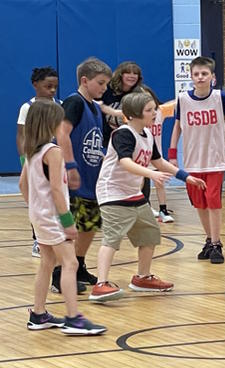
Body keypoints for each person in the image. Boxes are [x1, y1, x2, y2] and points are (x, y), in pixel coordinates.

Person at [89, 92, 205, 302]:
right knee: (112, 239)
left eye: (155, 108)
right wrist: (150, 173)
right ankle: (100, 284)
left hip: (133, 193)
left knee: (150, 233)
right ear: (134, 114)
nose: (155, 113)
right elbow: (125, 162)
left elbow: (159, 162)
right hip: (113, 193)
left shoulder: (148, 135)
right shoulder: (123, 134)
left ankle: (142, 277)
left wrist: (186, 177)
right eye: (150, 110)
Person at [20, 100, 106, 335]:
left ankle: (38, 314)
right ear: (51, 123)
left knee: (47, 263)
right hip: (55, 218)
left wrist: (36, 209)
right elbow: (57, 190)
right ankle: (73, 318)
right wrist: (67, 222)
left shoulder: (31, 151)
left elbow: (22, 184)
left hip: (39, 217)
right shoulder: (53, 151)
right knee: (70, 263)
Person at [169, 56, 225, 264]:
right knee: (200, 204)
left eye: (204, 74)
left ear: (212, 76)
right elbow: (177, 127)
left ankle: (217, 243)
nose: (200, 77)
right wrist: (172, 155)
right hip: (192, 161)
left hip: (215, 159)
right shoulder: (183, 99)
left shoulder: (220, 96)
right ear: (190, 76)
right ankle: (209, 240)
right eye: (196, 74)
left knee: (213, 202)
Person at [52, 57, 112, 293]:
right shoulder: (74, 102)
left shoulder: (95, 108)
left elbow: (98, 140)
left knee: (90, 226)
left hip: (92, 177)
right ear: (85, 81)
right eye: (101, 83)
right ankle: (59, 274)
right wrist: (70, 166)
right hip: (74, 176)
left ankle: (78, 266)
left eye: (106, 84)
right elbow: (62, 133)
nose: (104, 88)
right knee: (71, 228)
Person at [16, 66, 60, 258]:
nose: (52, 90)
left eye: (55, 87)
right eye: (48, 86)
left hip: (54, 157)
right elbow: (21, 135)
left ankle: (56, 234)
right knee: (38, 199)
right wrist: (24, 160)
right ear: (35, 85)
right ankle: (38, 239)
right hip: (36, 158)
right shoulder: (28, 107)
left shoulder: (60, 104)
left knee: (56, 197)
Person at [139, 85, 176, 223]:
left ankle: (163, 210)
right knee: (140, 184)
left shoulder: (160, 111)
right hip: (141, 156)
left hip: (156, 156)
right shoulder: (138, 115)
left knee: (160, 183)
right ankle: (142, 208)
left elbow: (177, 102)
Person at [101, 61, 143, 146]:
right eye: (128, 73)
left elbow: (156, 107)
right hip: (104, 135)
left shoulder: (139, 93)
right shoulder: (107, 88)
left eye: (135, 73)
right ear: (120, 75)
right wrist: (114, 113)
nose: (132, 76)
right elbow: (97, 104)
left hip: (126, 136)